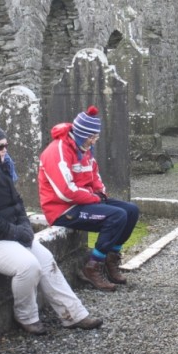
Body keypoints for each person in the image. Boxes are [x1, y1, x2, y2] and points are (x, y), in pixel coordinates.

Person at [0, 123, 103, 336]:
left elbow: (17, 204)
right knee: (28, 266)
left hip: (2, 234)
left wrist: (23, 227)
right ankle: (26, 316)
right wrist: (15, 233)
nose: (5, 151)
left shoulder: (0, 167)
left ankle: (74, 314)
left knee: (46, 260)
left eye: (6, 146)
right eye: (0, 147)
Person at [38, 105, 140, 292]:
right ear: (80, 134)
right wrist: (94, 198)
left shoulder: (84, 147)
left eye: (95, 137)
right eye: (91, 137)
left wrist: (100, 193)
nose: (93, 141)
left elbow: (94, 176)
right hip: (63, 209)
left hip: (85, 200)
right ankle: (93, 266)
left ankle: (111, 258)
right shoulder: (57, 151)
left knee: (131, 211)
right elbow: (65, 191)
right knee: (116, 216)